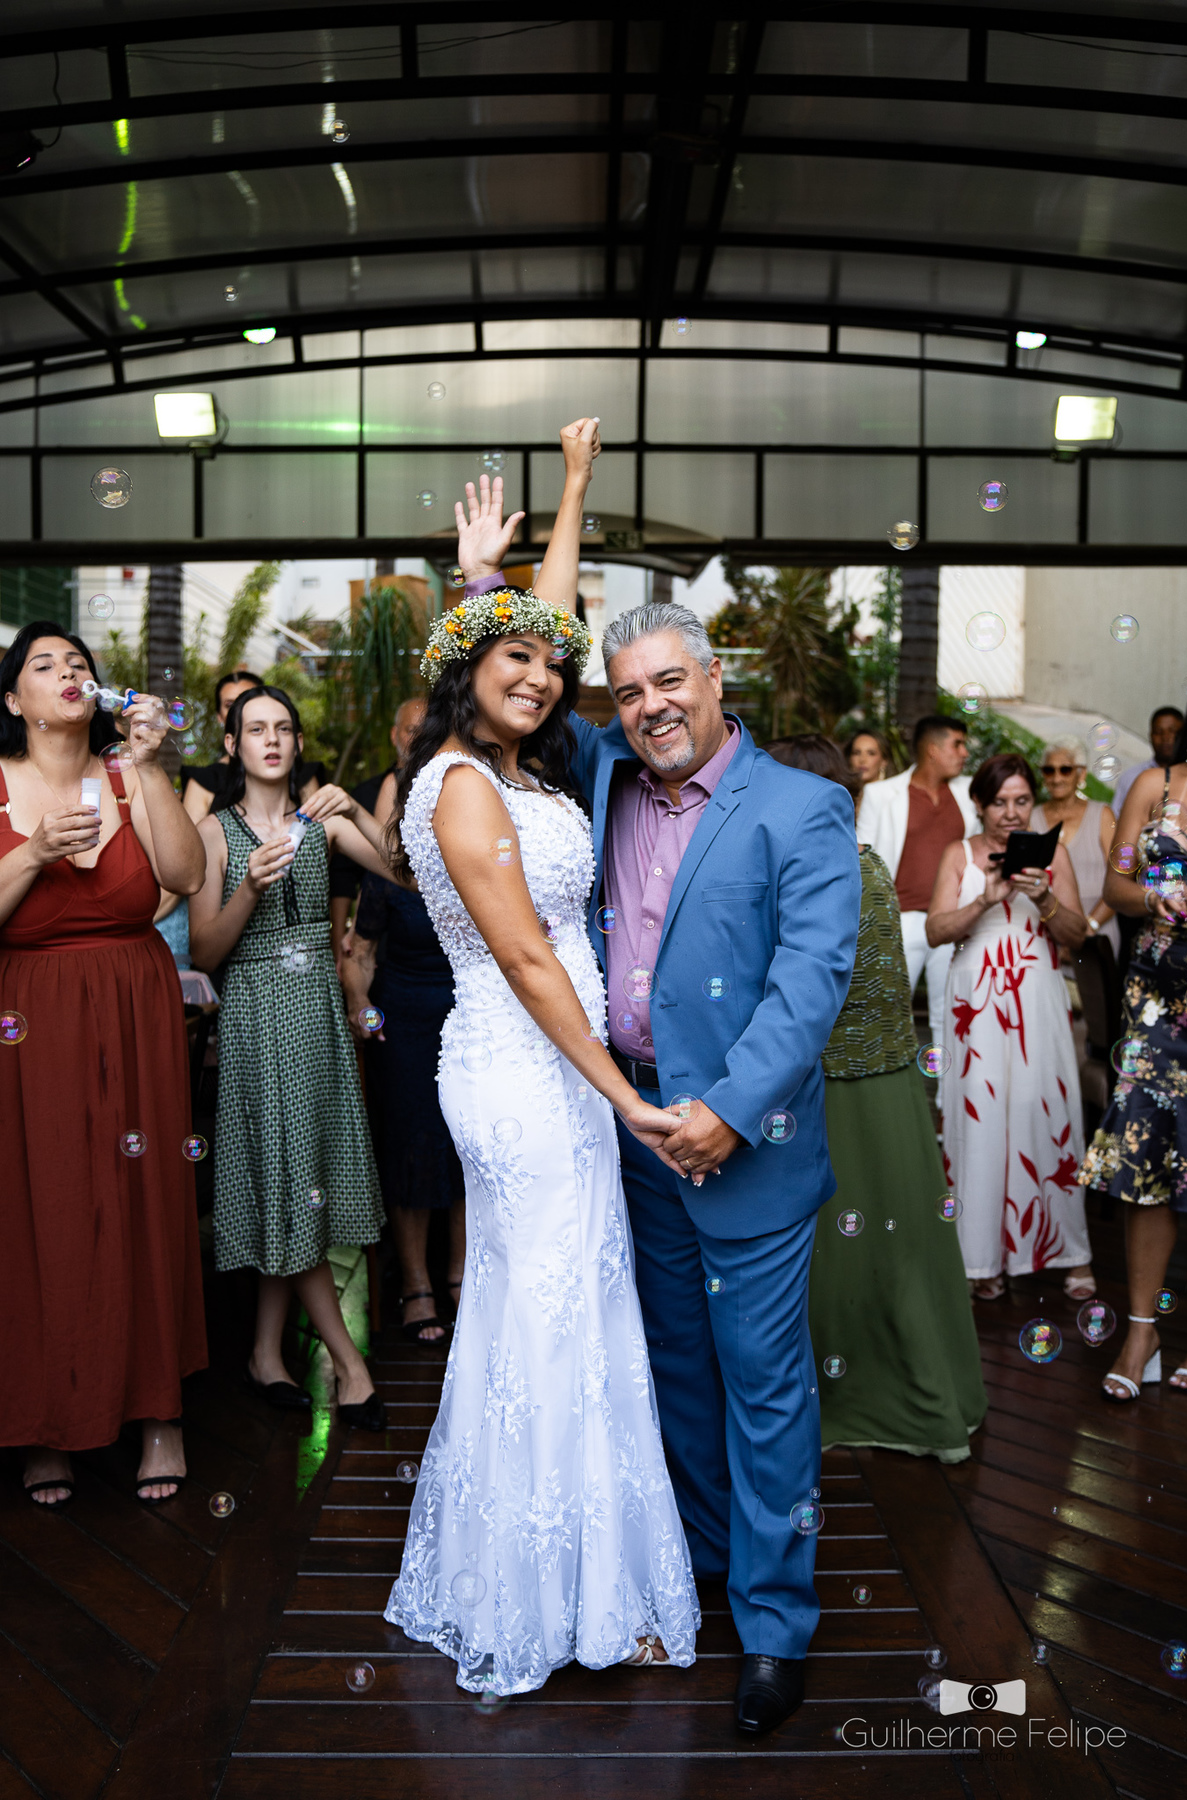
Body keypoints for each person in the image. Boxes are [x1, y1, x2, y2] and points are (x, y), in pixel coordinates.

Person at [449, 453, 862, 1734]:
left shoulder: (803, 808)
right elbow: (512, 680)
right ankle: (706, 1565)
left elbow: (812, 981)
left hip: (745, 1141)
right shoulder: (605, 773)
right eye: (628, 692)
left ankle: (775, 1626)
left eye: (669, 682)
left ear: (716, 678)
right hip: (625, 1130)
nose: (649, 708)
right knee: (674, 1363)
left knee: (766, 1385)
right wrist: (480, 587)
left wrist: (725, 1112)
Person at [383, 422, 701, 1698]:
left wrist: (571, 492)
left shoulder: (513, 765)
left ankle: (558, 1578)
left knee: (555, 1304)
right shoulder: (463, 787)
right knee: (555, 1307)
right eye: (510, 658)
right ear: (465, 672)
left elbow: (543, 630)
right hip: (525, 1073)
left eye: (551, 666)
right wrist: (625, 1096)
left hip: (552, 1071)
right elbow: (524, 959)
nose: (542, 675)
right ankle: (552, 1596)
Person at [0, 622, 208, 1506]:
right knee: (40, 1210)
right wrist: (33, 852)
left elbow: (185, 876)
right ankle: (45, 1417)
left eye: (78, 663)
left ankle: (159, 1411)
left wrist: (149, 766)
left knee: (144, 1201)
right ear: (13, 699)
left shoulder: (127, 775)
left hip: (134, 1010)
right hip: (30, 1014)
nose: (67, 672)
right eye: (44, 665)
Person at [766, 734, 986, 1463]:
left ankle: (859, 1398)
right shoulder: (866, 863)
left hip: (837, 1091)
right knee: (901, 1253)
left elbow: (799, 997)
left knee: (846, 1258)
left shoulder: (815, 878)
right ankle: (931, 1390)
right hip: (889, 1088)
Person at [189, 686, 390, 1428]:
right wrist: (248, 886)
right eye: (255, 729)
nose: (271, 739)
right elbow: (206, 952)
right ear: (232, 745)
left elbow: (405, 872)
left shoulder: (320, 824)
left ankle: (264, 1354)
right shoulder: (213, 833)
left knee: (297, 1181)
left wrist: (357, 810)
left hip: (317, 1017)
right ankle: (349, 1363)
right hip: (258, 1016)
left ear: (298, 743)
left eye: (283, 728)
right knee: (287, 1176)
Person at [927, 753, 1095, 1301]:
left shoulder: (1054, 855)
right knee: (979, 1120)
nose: (1011, 812)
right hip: (975, 1005)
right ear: (979, 804)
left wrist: (1043, 896)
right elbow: (935, 931)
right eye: (999, 802)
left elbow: (1077, 936)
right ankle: (982, 1257)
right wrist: (986, 899)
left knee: (1044, 1109)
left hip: (1036, 997)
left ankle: (1068, 1251)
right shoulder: (959, 854)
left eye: (1022, 801)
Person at [1081, 689, 1187, 1401]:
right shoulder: (1156, 787)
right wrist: (1155, 896)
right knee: (1146, 1163)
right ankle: (1140, 1333)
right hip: (1158, 1003)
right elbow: (1118, 882)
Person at [341, 868, 465, 1344]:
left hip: (470, 1014)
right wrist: (358, 1001)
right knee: (410, 1144)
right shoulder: (386, 870)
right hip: (403, 1022)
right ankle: (416, 1284)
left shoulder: (478, 853)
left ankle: (461, 1274)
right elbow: (360, 953)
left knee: (466, 1142)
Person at [857, 716, 975, 1062]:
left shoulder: (970, 794)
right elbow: (862, 861)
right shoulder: (882, 794)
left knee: (950, 1014)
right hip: (899, 922)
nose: (965, 753)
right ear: (932, 750)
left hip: (952, 922)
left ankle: (948, 1093)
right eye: (957, 744)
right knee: (889, 1011)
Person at [328, 696, 426, 964]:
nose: (420, 739)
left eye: (428, 731)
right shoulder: (364, 795)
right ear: (395, 734)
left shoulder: (450, 789)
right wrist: (340, 941)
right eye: (412, 730)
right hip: (380, 931)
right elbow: (346, 875)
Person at [182, 668, 327, 823]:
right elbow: (190, 838)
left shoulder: (304, 775)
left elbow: (318, 828)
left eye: (249, 698)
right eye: (230, 704)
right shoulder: (203, 781)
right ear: (219, 716)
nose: (241, 708)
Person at [1031, 735, 1119, 960]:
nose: (1056, 778)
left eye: (1065, 770)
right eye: (1049, 770)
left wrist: (1087, 928)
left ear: (1081, 774)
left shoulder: (1102, 815)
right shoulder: (1031, 818)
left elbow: (1120, 877)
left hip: (1098, 931)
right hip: (1044, 937)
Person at [1111, 705, 1184, 816]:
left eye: (1172, 731)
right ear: (1150, 735)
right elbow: (1116, 817)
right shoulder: (1131, 777)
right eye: (1158, 732)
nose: (1165, 737)